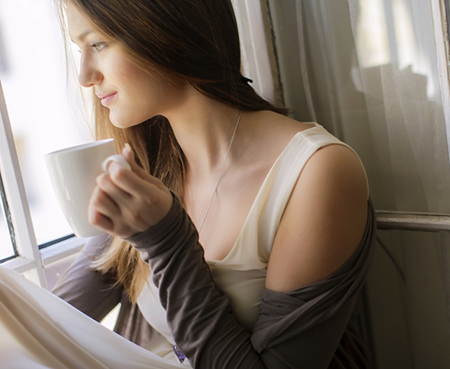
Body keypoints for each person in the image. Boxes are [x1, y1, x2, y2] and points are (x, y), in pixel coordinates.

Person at [0, 0, 376, 367]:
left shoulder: (316, 172)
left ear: (164, 26)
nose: (85, 76)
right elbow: (52, 325)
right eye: (78, 49)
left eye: (97, 44)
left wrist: (166, 241)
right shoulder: (151, 165)